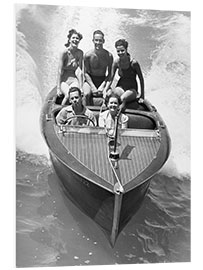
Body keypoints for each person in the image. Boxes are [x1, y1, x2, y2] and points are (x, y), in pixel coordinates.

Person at [110, 39, 145, 111]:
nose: (120, 53)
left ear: (126, 49)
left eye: (122, 50)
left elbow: (141, 79)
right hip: (121, 86)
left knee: (123, 98)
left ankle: (123, 107)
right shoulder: (116, 62)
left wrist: (142, 96)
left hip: (132, 89)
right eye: (118, 51)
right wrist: (107, 89)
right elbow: (111, 78)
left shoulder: (134, 63)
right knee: (114, 93)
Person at [83, 30, 113, 105]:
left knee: (109, 94)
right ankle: (85, 113)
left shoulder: (108, 56)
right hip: (90, 80)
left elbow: (110, 74)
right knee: (86, 94)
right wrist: (93, 87)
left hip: (102, 79)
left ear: (103, 41)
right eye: (96, 40)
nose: (98, 43)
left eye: (100, 40)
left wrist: (103, 86)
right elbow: (86, 73)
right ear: (93, 41)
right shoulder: (88, 55)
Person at [56, 29, 84, 106]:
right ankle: (61, 112)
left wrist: (81, 87)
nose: (75, 40)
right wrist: (58, 88)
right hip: (64, 80)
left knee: (76, 96)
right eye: (73, 38)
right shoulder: (64, 53)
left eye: (77, 38)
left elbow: (80, 72)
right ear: (69, 40)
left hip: (74, 79)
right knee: (68, 95)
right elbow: (59, 71)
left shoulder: (80, 53)